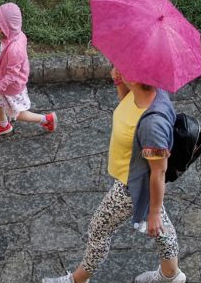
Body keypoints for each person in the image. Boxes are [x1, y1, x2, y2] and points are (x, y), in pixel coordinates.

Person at [43, 68, 185, 283]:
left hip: (132, 186)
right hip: (133, 176)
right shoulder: (145, 93)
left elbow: (158, 171)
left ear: (136, 78)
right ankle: (171, 275)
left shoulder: (153, 126)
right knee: (162, 228)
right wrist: (120, 83)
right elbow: (127, 112)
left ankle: (77, 280)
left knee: (99, 229)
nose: (118, 65)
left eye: (125, 66)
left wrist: (154, 211)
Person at [0, 2, 57, 137]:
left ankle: (46, 119)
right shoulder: (15, 35)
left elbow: (11, 76)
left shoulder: (14, 49)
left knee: (17, 113)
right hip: (3, 83)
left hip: (9, 87)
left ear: (7, 27)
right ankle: (3, 125)